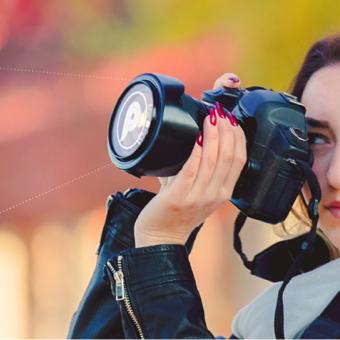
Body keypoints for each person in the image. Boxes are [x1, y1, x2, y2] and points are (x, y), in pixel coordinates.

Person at [67, 34, 340, 339]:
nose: (335, 176)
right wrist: (168, 211)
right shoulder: (294, 308)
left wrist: (160, 244)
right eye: (316, 138)